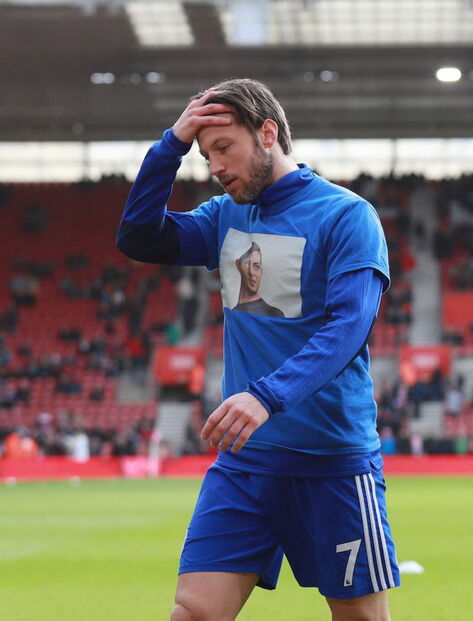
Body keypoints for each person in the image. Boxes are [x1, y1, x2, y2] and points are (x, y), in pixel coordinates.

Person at [117, 78, 398, 621]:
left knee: (360, 617)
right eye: (205, 155)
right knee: (194, 613)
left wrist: (266, 396)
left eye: (225, 148)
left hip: (331, 461)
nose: (215, 166)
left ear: (268, 133)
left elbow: (348, 327)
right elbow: (137, 237)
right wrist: (169, 146)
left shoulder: (346, 216)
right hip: (245, 464)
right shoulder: (225, 216)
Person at [232, 241, 284, 317]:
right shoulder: (232, 313)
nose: (251, 272)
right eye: (247, 264)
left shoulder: (274, 314)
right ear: (238, 264)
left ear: (261, 271)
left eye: (256, 266)